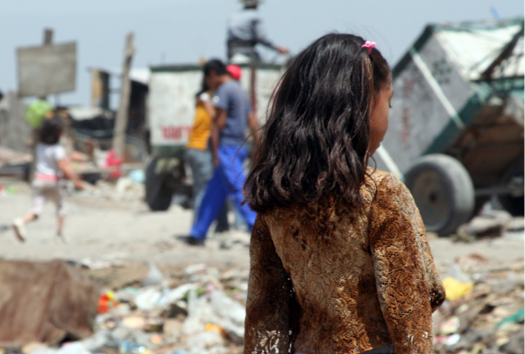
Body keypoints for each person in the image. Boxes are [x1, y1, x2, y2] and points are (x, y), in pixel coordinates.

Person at [242, 34, 445, 354]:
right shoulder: (381, 193)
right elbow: (409, 309)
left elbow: (265, 313)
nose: (388, 114)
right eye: (387, 102)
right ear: (363, 106)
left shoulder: (276, 198)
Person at [186, 59, 259, 246]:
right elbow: (253, 121)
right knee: (214, 191)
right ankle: (197, 233)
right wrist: (259, 145)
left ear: (212, 74)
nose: (207, 84)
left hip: (227, 148)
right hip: (239, 146)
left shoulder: (224, 91)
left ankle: (257, 230)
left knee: (238, 188)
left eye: (207, 79)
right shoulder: (241, 91)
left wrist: (216, 154)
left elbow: (218, 124)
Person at [12, 117, 84, 243]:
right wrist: (76, 180)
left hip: (38, 180)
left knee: (37, 209)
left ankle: (21, 221)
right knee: (61, 206)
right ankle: (59, 233)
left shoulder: (40, 146)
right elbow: (62, 167)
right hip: (53, 181)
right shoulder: (57, 149)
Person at [184, 80, 230, 233]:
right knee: (203, 193)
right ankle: (197, 231)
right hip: (201, 149)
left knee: (212, 188)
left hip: (194, 148)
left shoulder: (203, 100)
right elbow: (217, 121)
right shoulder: (209, 101)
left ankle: (221, 226)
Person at [227, 0, 288, 64]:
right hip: (248, 53)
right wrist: (277, 48)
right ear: (255, 5)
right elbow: (262, 38)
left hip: (232, 53)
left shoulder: (234, 16)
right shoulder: (255, 17)